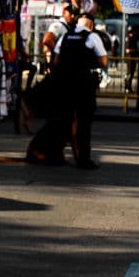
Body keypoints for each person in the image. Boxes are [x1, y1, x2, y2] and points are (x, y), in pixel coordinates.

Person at [53, 12, 108, 169]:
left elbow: (56, 60)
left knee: (63, 120)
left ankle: (57, 154)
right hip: (84, 86)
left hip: (64, 85)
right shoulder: (92, 37)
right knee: (84, 123)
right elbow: (103, 61)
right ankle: (83, 159)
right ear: (91, 26)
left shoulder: (65, 36)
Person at [40, 4, 77, 68]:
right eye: (70, 13)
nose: (73, 16)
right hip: (57, 63)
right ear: (64, 13)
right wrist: (59, 52)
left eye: (75, 14)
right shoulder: (58, 25)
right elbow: (47, 40)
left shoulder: (70, 27)